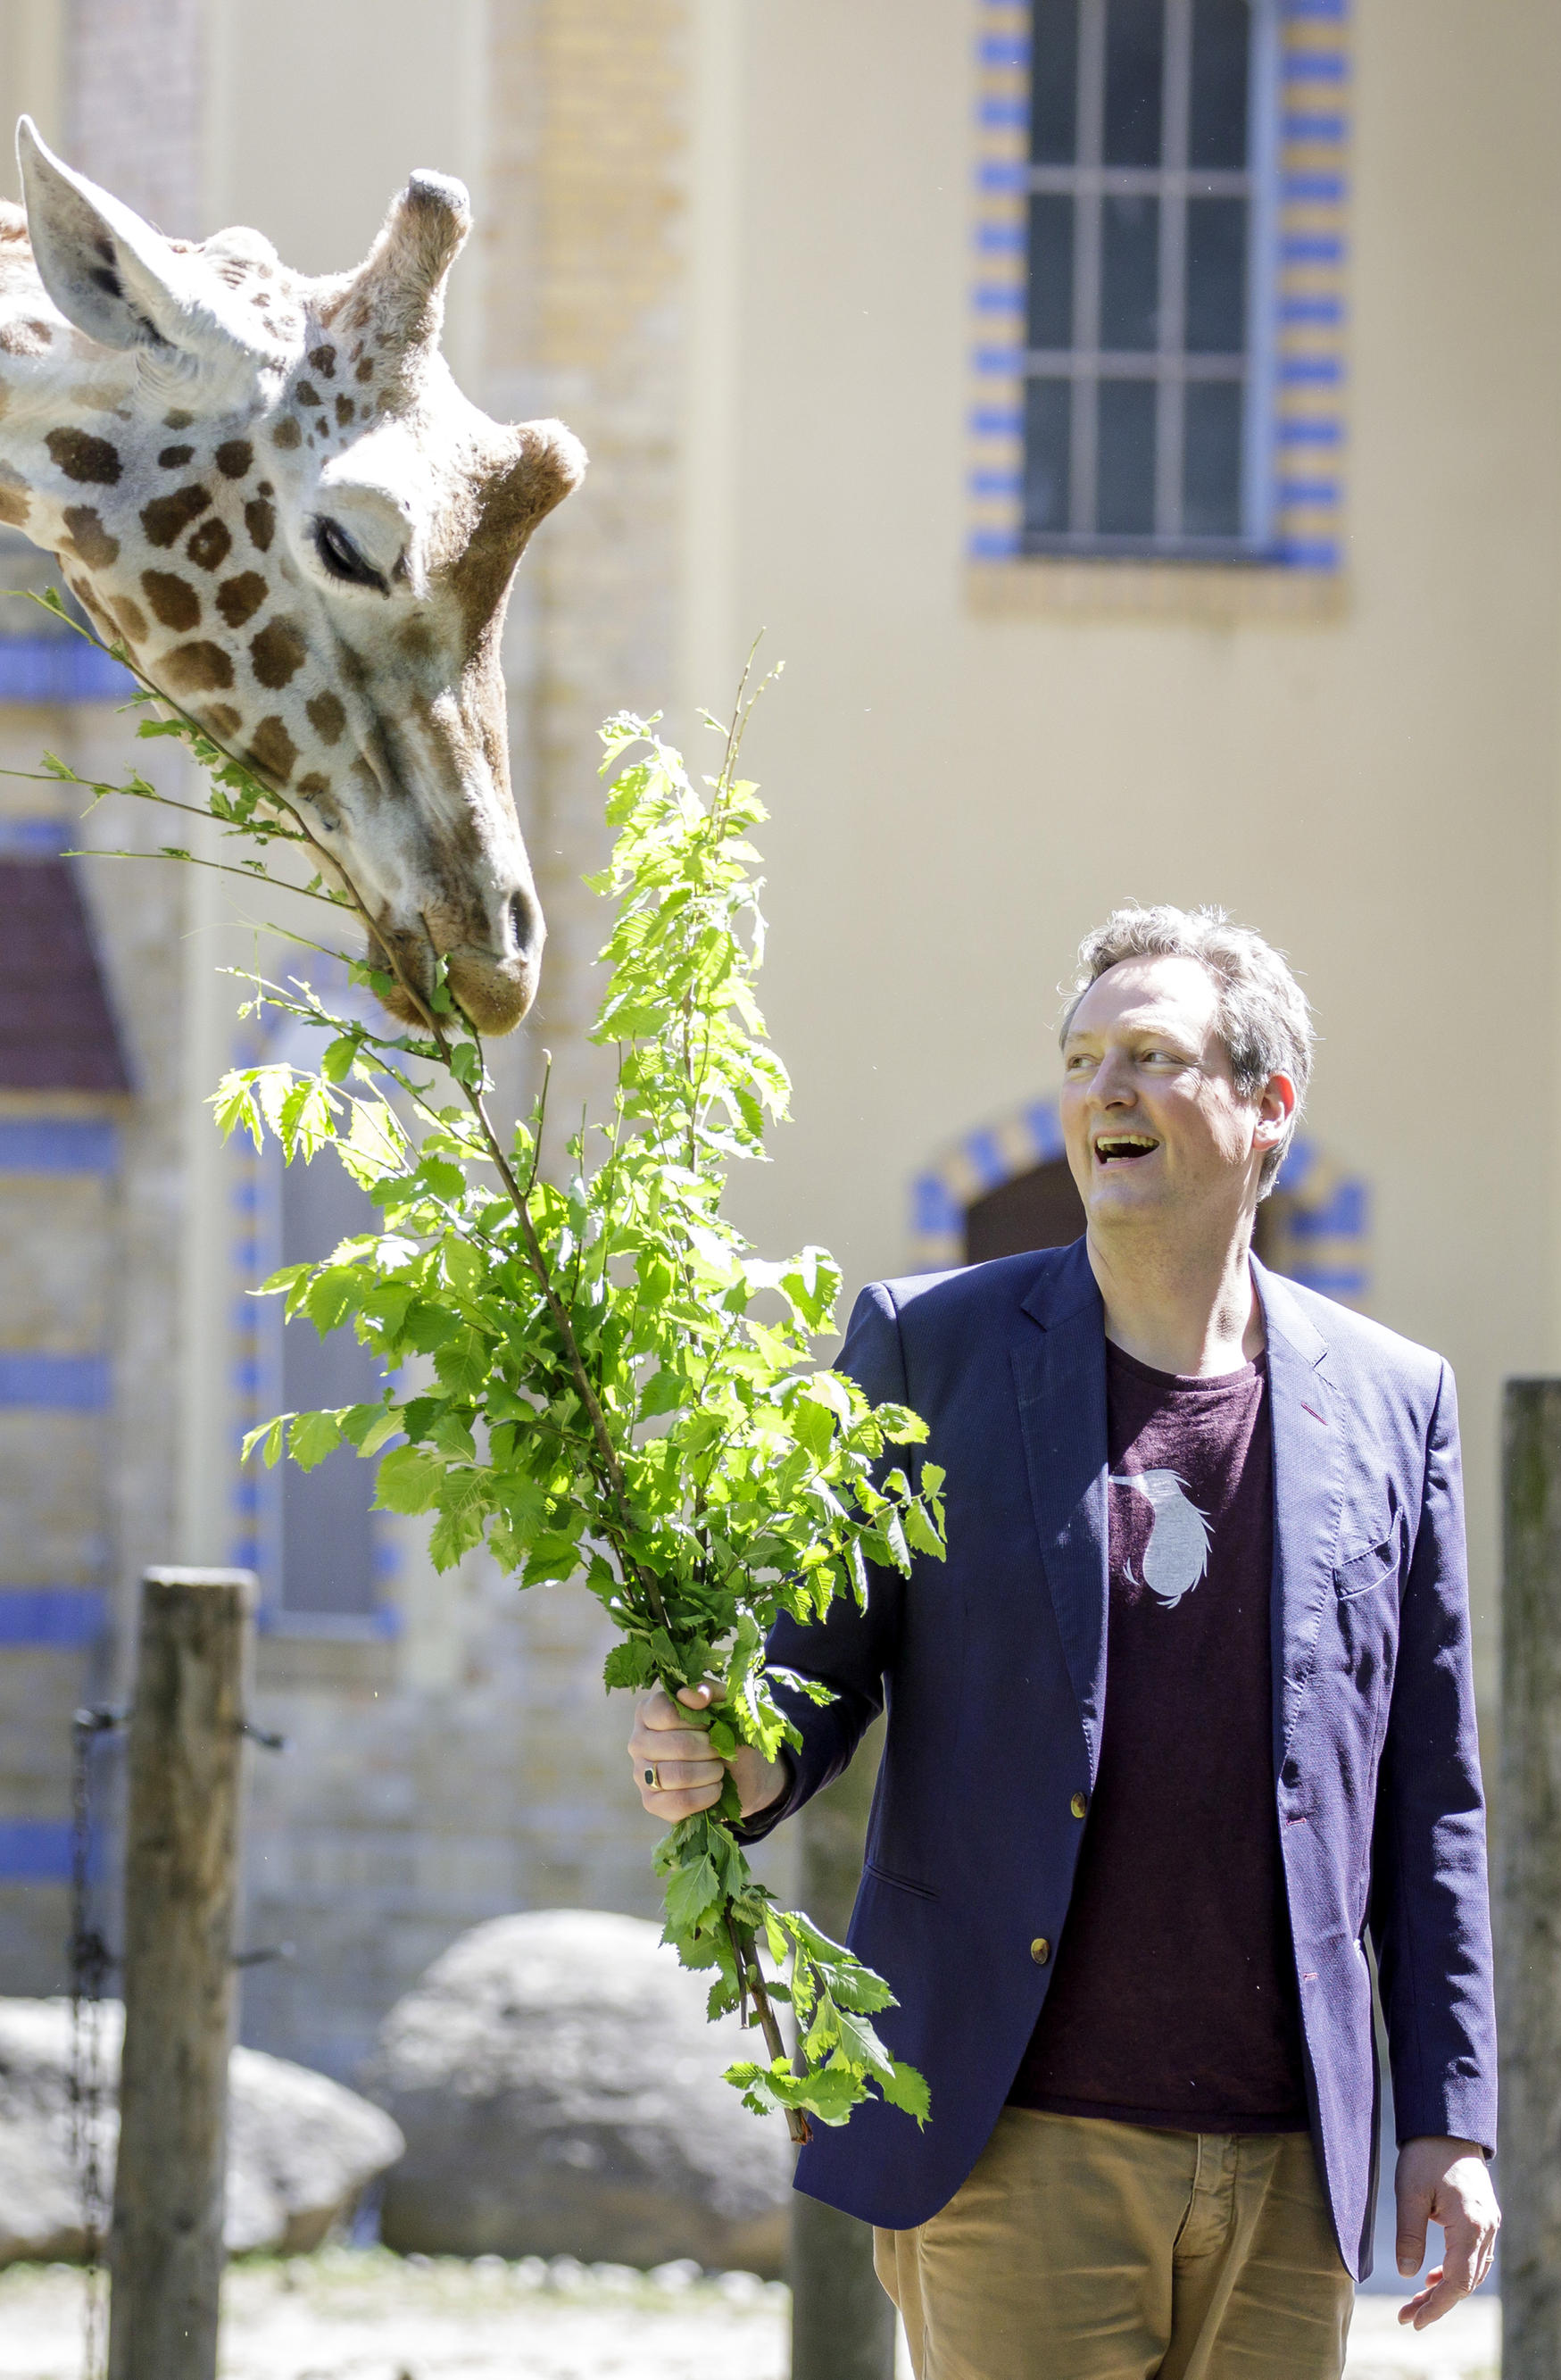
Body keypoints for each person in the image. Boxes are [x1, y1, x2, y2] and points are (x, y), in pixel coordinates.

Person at [627, 905, 1499, 2380]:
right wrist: (731, 1756)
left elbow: (1432, 1796)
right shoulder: (928, 1348)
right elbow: (815, 1674)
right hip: (1014, 2142)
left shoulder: (1395, 1399)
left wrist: (1452, 2119)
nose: (1104, 1090)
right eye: (1083, 1058)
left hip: (1293, 2166)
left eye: (1152, 1057)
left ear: (1267, 1106)